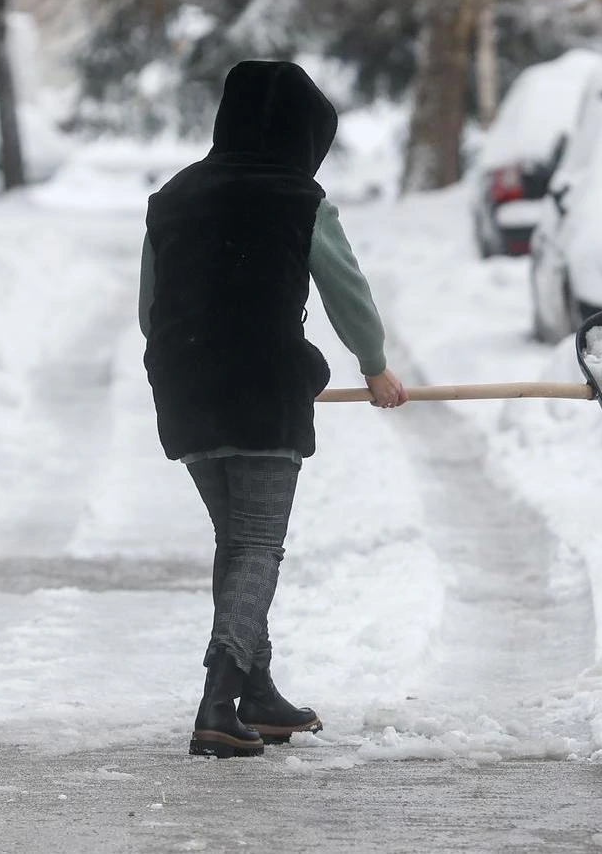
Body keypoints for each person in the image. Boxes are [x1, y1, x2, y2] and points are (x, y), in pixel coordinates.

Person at [139, 61, 408, 759]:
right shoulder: (300, 199)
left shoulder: (172, 198)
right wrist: (374, 365)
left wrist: (191, 361)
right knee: (259, 545)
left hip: (184, 388)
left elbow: (150, 310)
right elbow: (347, 292)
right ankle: (218, 699)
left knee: (236, 543)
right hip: (262, 391)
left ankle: (256, 696)